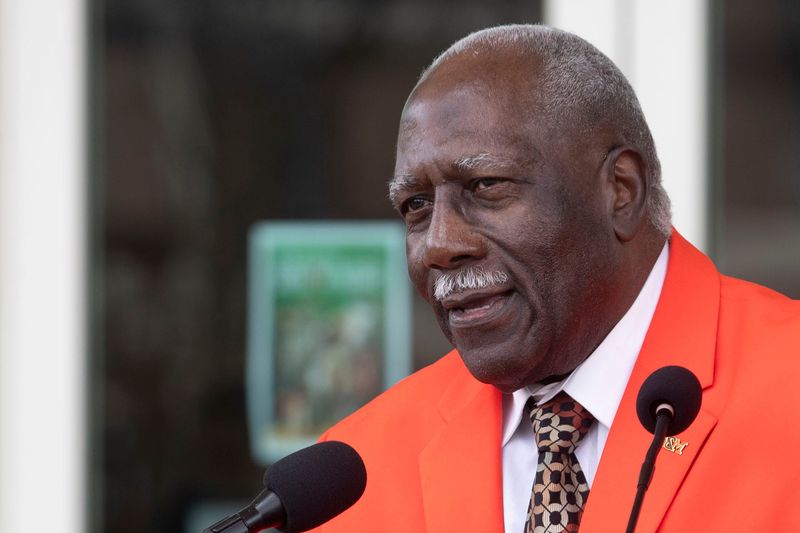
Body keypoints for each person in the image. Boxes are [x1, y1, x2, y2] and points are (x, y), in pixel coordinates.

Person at [311, 24, 800, 532]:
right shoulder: (357, 474)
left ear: (621, 191)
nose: (438, 244)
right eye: (416, 205)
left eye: (485, 186)